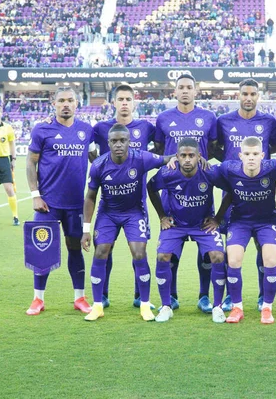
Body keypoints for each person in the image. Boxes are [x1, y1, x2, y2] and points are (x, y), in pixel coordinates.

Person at [80, 123, 174, 322]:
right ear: (108, 143)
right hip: (108, 213)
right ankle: (97, 306)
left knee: (139, 253)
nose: (118, 145)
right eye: (114, 141)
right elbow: (90, 197)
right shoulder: (99, 165)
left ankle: (145, 305)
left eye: (123, 141)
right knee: (101, 251)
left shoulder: (141, 158)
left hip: (134, 213)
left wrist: (189, 157)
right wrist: (86, 229)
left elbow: (166, 159)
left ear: (129, 142)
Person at [25, 87, 97, 316]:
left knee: (75, 250)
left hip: (76, 204)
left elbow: (96, 160)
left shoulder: (87, 131)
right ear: (53, 103)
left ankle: (80, 298)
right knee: (41, 251)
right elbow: (30, 162)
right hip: (48, 204)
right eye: (61, 100)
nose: (66, 104)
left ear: (77, 104)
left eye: (70, 100)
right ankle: (38, 299)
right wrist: (35, 194)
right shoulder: (42, 130)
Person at [216, 78, 276, 311]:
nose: (248, 97)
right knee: (230, 247)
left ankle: (263, 296)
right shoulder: (223, 121)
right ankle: (229, 296)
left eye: (253, 94)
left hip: (261, 187)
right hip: (233, 188)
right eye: (244, 93)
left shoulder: (268, 121)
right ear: (238, 95)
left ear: (258, 96)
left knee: (263, 248)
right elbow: (215, 147)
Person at [154, 74, 218, 313]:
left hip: (201, 191)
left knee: (206, 249)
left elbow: (211, 149)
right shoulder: (163, 118)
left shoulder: (208, 117)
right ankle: (171, 296)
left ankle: (204, 296)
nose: (184, 91)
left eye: (189, 87)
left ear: (196, 90)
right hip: (173, 194)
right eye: (180, 87)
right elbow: (160, 150)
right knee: (170, 249)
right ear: (174, 91)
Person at [208, 136, 276, 324]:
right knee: (234, 259)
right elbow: (204, 169)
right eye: (247, 154)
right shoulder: (229, 168)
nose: (251, 158)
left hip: (266, 221)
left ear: (262, 155)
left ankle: (267, 308)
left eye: (255, 154)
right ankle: (237, 307)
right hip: (240, 222)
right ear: (240, 156)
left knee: (270, 259)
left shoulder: (274, 167)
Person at [147, 138, 226, 323]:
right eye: (183, 156)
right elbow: (150, 188)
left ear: (199, 156)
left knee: (218, 256)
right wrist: (162, 217)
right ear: (177, 157)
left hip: (202, 224)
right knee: (163, 256)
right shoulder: (168, 172)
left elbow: (230, 190)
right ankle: (166, 305)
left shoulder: (209, 172)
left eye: (192, 155)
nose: (188, 159)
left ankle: (217, 307)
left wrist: (217, 219)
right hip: (176, 224)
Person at [93, 84, 156, 309]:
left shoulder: (145, 127)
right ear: (113, 102)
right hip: (108, 203)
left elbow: (158, 150)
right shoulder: (101, 128)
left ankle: (140, 296)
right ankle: (103, 294)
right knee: (103, 248)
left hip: (137, 203)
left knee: (138, 250)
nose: (124, 103)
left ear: (134, 102)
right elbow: (90, 152)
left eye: (128, 99)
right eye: (120, 99)